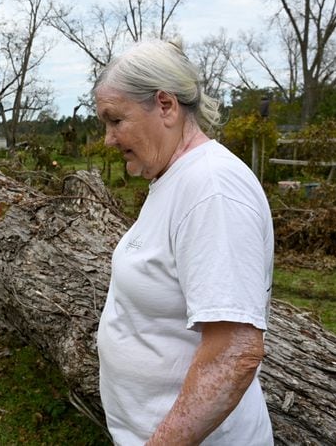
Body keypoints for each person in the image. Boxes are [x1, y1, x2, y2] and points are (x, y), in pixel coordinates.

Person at [95, 39, 274, 445]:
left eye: (115, 120)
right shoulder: (175, 178)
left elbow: (235, 351)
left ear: (166, 106)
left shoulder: (212, 189)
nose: (108, 139)